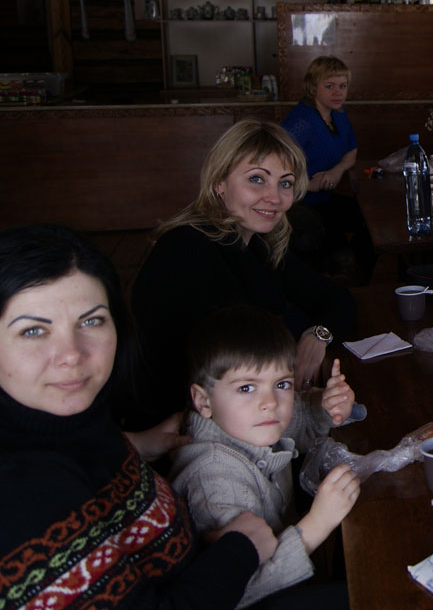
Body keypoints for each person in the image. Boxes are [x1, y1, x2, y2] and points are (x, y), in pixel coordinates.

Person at [0, 224, 276, 608]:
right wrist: (241, 549)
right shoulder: (20, 492)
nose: (72, 354)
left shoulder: (68, 416)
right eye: (33, 331)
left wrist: (136, 444)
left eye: (91, 321)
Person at [131, 119, 355, 429]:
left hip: (245, 412)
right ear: (219, 183)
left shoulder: (257, 243)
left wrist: (317, 335)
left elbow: (336, 297)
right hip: (189, 429)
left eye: (285, 183)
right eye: (256, 179)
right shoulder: (187, 248)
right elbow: (231, 371)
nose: (274, 197)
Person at [171, 305, 360, 609]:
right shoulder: (213, 481)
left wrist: (326, 405)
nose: (270, 402)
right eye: (247, 387)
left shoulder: (244, 423)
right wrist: (317, 524)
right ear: (203, 401)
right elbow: (238, 592)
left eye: (282, 384)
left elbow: (298, 416)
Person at [280, 56, 375, 283]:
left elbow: (352, 151)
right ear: (313, 87)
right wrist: (308, 184)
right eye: (330, 86)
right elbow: (272, 169)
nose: (338, 92)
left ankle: (356, 282)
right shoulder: (302, 122)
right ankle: (339, 281)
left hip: (324, 199)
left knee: (372, 223)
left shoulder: (337, 114)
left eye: (343, 86)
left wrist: (336, 171)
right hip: (296, 203)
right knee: (331, 243)